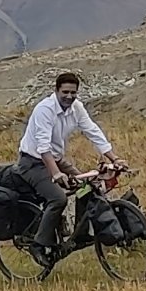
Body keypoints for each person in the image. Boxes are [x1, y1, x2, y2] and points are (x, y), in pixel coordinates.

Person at [17, 71, 126, 254]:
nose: (69, 97)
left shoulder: (77, 108)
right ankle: (39, 244)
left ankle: (80, 234)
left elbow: (92, 131)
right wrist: (56, 174)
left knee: (87, 187)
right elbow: (43, 147)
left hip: (56, 158)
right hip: (33, 162)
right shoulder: (45, 109)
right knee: (58, 199)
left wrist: (114, 158)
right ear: (56, 91)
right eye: (65, 92)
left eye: (73, 93)